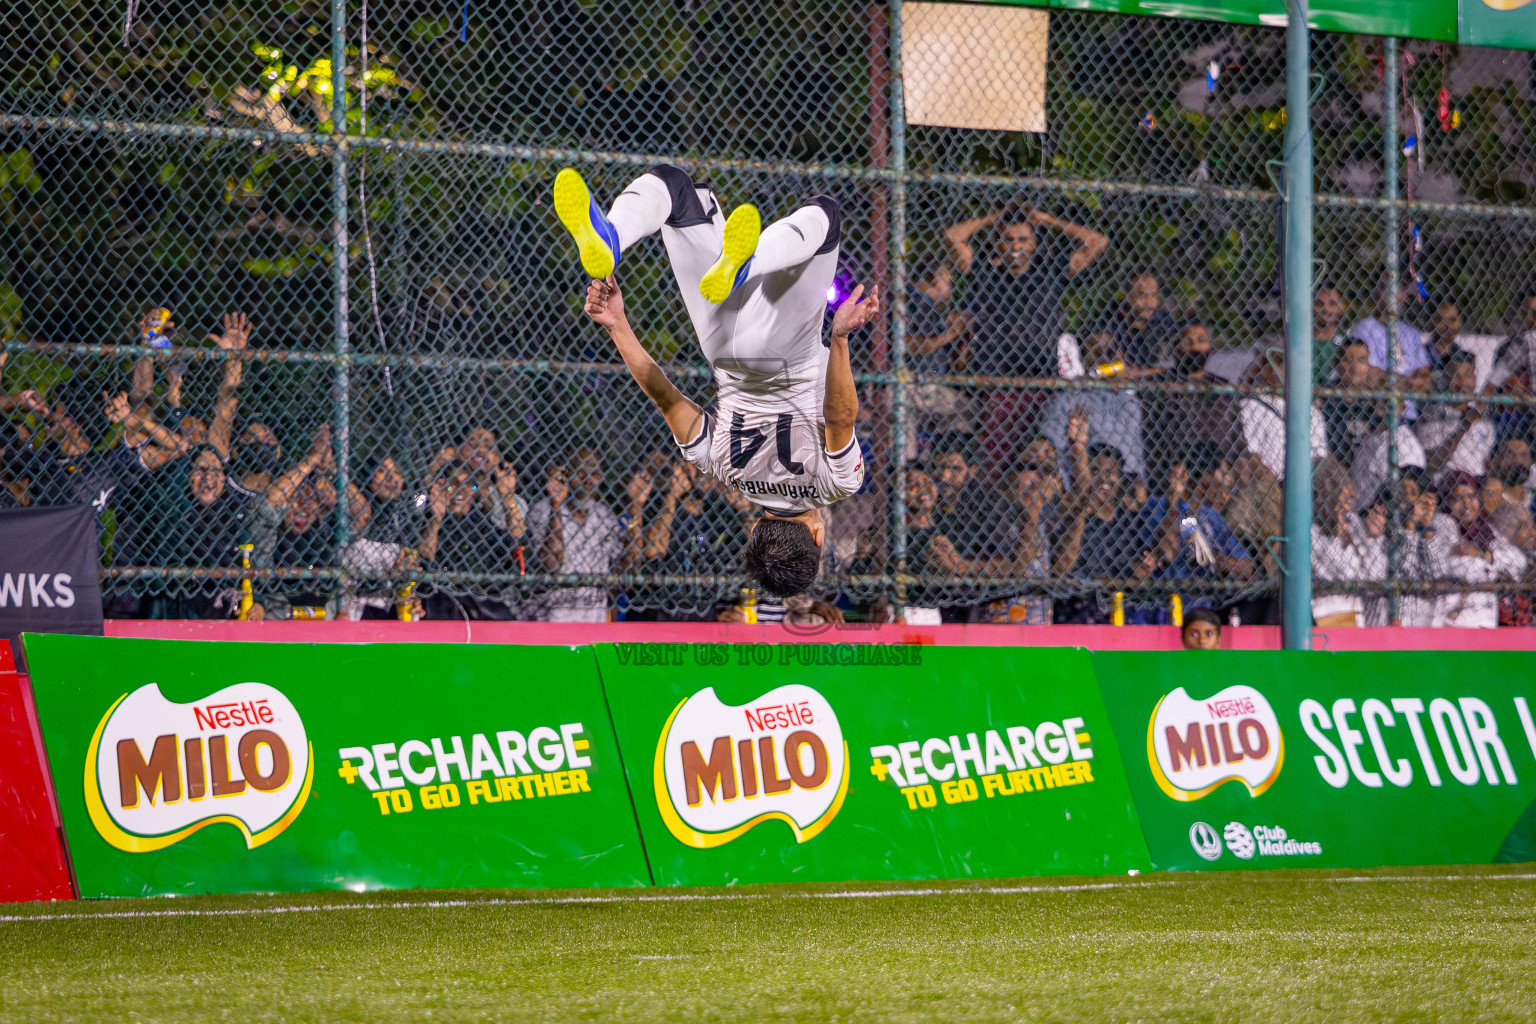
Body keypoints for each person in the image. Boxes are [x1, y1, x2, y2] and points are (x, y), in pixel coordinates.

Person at [554, 165, 877, 600]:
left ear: (818, 537)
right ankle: (613, 236)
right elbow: (667, 399)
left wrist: (839, 340)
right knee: (677, 194)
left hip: (786, 351)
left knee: (827, 216)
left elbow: (840, 417)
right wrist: (617, 326)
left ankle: (748, 261)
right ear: (757, 528)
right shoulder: (727, 471)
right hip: (721, 345)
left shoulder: (836, 484)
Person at [525, 448, 622, 621]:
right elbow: (552, 564)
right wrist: (556, 505)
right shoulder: (543, 510)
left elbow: (613, 577)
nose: (588, 480)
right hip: (553, 619)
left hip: (594, 620)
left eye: (595, 474)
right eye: (581, 472)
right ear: (567, 475)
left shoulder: (605, 517)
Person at [1239, 348, 1328, 480]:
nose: (1278, 371)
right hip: (1267, 482)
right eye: (1271, 366)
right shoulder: (1251, 405)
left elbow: (1319, 455)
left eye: (1283, 366)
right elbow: (1251, 453)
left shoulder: (1313, 412)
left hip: (1306, 481)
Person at [1415, 350, 1494, 482]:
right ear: (1446, 379)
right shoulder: (1432, 415)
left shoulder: (1485, 421)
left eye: (1468, 375)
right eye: (1455, 375)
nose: (1462, 381)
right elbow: (1432, 465)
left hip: (1475, 490)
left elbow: (1485, 464)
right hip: (1444, 487)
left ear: (1475, 379)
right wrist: (1464, 426)